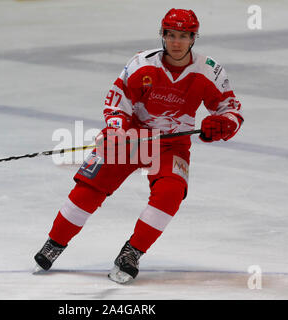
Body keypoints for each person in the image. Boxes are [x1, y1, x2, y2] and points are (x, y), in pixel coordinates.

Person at [33, 8, 243, 284]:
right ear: (163, 35)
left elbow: (231, 109)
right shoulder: (141, 64)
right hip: (133, 137)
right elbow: (116, 103)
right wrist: (119, 131)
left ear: (193, 38)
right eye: (170, 35)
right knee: (89, 187)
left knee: (171, 193)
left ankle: (131, 253)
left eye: (183, 36)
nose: (176, 42)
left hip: (171, 145)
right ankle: (55, 243)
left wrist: (224, 124)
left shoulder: (209, 70)